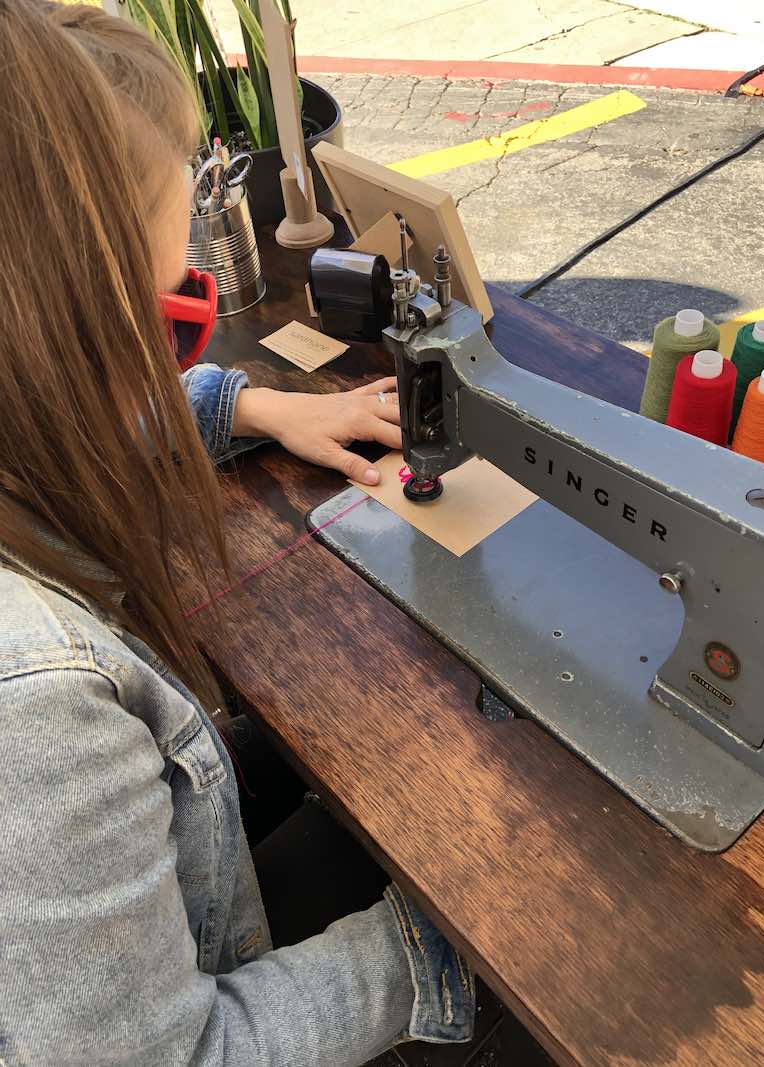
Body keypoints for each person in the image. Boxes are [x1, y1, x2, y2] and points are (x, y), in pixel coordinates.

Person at [0, 2, 474, 1064]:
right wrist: (463, 932)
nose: (179, 355)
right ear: (50, 332)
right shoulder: (31, 702)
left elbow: (94, 421)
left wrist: (249, 405)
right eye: (169, 316)